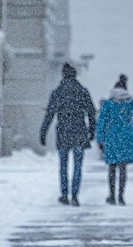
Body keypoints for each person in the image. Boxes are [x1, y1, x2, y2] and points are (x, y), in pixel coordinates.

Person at [39, 62, 96, 207]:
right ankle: (75, 195)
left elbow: (50, 114)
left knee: (63, 165)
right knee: (77, 165)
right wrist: (92, 130)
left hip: (63, 132)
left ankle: (64, 194)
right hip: (79, 132)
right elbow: (91, 112)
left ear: (63, 75)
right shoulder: (82, 91)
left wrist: (43, 132)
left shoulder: (58, 92)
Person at [96, 74, 133, 205]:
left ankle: (111, 196)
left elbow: (102, 122)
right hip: (126, 137)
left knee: (112, 168)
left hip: (112, 137)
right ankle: (121, 196)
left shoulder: (109, 104)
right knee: (123, 168)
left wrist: (100, 139)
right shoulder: (130, 103)